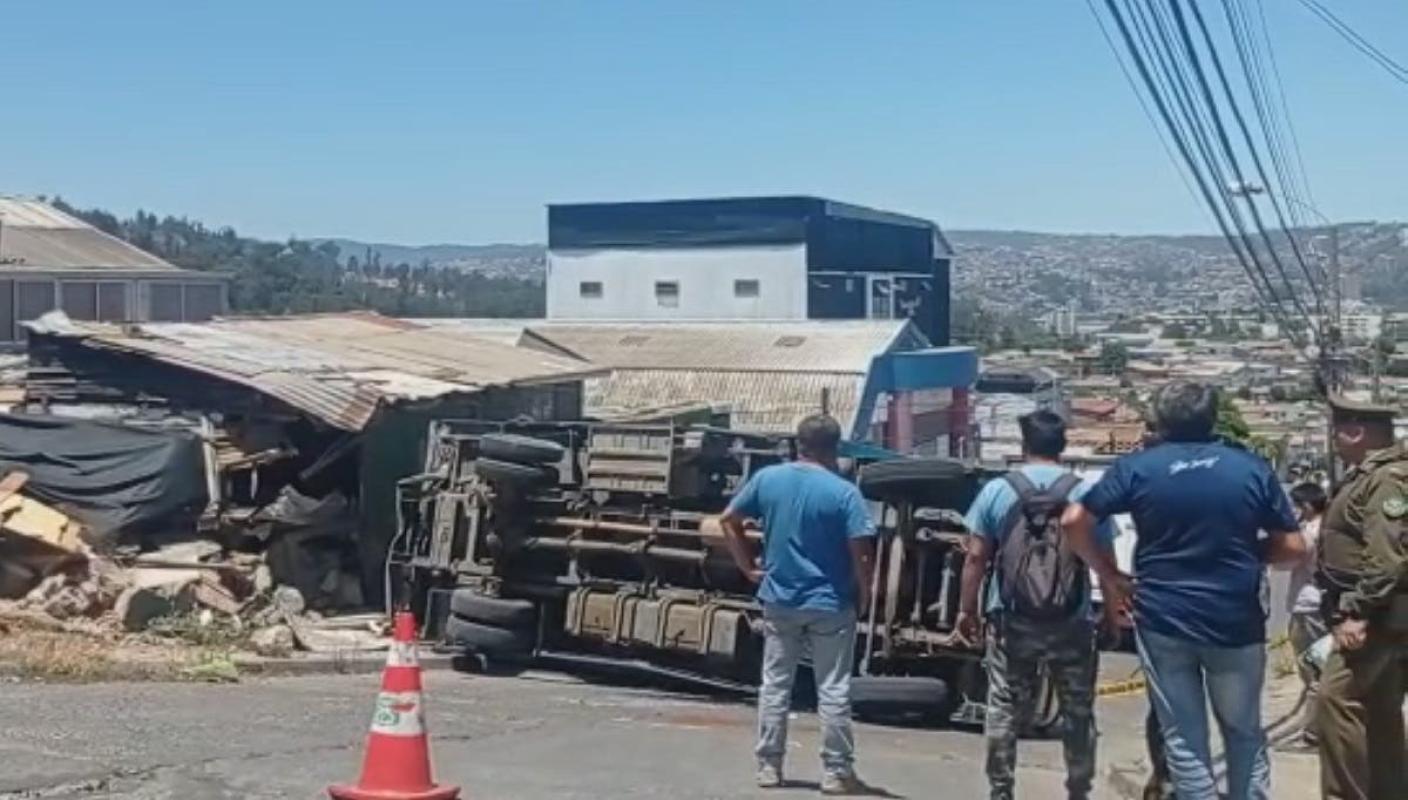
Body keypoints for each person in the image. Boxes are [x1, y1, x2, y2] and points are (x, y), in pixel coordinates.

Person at [1062, 382, 1305, 800]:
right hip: (1235, 619)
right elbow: (1295, 547)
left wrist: (1111, 575)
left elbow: (1073, 521)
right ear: (1212, 418)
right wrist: (1249, 553)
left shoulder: (1138, 468)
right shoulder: (1249, 468)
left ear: (1160, 421)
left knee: (1184, 736)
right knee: (1243, 731)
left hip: (1163, 617)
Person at [956, 410, 1114, 800]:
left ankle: (1001, 790)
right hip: (1072, 620)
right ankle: (1078, 790)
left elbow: (975, 557)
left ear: (1024, 444)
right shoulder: (1085, 494)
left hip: (1012, 620)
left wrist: (967, 611)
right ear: (1063, 446)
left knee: (1003, 707)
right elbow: (1106, 562)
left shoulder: (997, 491)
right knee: (1078, 710)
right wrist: (1111, 614)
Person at [719, 413, 877, 796]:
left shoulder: (768, 479)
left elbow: (728, 519)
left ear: (797, 444)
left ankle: (769, 766)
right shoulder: (845, 493)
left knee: (775, 684)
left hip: (779, 598)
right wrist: (866, 592)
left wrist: (747, 566)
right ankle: (836, 772)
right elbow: (862, 552)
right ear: (835, 448)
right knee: (833, 689)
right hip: (831, 602)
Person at [1313, 396, 1408, 800]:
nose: (1334, 439)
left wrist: (1359, 612)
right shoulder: (1372, 475)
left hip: (1378, 617)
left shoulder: (1386, 480)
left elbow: (1387, 559)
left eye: (1337, 430)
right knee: (1381, 709)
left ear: (1355, 432)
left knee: (1335, 701)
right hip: (1385, 616)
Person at [1275, 481, 1329, 750]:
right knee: (1322, 667)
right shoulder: (1330, 527)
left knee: (1314, 673)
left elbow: (1284, 562)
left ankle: (1314, 733)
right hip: (1323, 605)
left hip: (1307, 608)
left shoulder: (1308, 533)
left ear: (1306, 506)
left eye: (1295, 505)